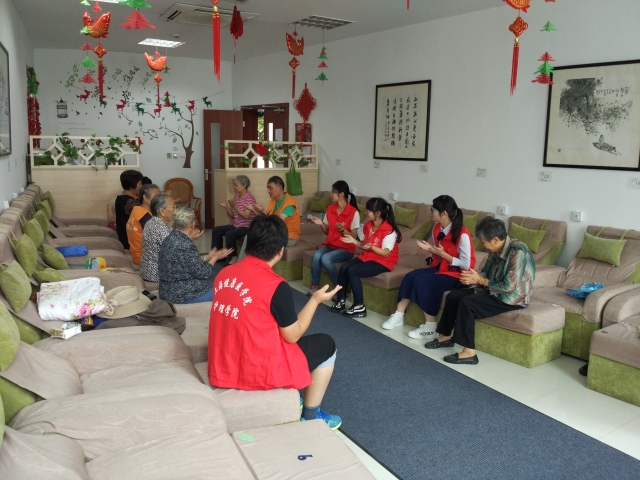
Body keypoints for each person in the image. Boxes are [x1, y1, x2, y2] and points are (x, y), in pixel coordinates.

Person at [208, 215, 343, 430]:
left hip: (223, 364)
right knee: (327, 345)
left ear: (249, 242)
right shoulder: (276, 286)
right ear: (280, 251)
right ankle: (310, 416)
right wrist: (315, 300)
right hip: (257, 370)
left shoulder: (223, 274)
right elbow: (292, 335)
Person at [425, 217, 536, 365]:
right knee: (454, 295)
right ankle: (445, 336)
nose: (483, 245)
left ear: (495, 239)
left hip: (512, 298)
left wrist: (481, 281)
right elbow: (485, 271)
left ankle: (469, 353)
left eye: (484, 242)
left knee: (468, 303)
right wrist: (474, 277)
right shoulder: (496, 249)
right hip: (493, 290)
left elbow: (509, 287)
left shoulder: (517, 252)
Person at [382, 195, 476, 339]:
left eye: (433, 210)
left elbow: (466, 264)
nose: (430, 212)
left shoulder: (462, 234)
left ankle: (430, 326)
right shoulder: (437, 228)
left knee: (422, 281)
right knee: (410, 276)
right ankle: (399, 315)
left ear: (444, 213)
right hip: (441, 268)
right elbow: (439, 253)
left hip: (458, 275)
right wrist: (432, 250)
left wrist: (444, 255)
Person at [331, 197, 402, 318]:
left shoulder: (390, 231)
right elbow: (364, 245)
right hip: (368, 257)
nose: (366, 212)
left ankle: (359, 306)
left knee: (353, 271)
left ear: (377, 213)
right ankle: (340, 300)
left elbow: (386, 253)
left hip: (384, 261)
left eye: (369, 211)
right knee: (344, 268)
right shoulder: (368, 226)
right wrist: (354, 241)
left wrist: (372, 247)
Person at [159, 207, 232, 304]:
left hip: (166, 290)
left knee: (220, 284)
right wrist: (215, 258)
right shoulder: (186, 244)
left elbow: (187, 262)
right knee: (227, 292)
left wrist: (208, 257)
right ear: (191, 224)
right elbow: (204, 274)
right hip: (182, 294)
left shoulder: (169, 238)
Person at [307, 180, 359, 295]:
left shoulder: (354, 212)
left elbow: (354, 236)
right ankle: (314, 284)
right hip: (331, 244)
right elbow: (327, 232)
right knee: (316, 256)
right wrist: (321, 224)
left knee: (325, 258)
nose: (330, 194)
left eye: (333, 192)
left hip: (346, 249)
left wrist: (343, 230)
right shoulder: (330, 209)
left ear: (341, 194)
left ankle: (339, 288)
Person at [237, 176, 301, 260]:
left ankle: (246, 264)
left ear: (279, 188)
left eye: (270, 188)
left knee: (259, 239)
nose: (268, 191)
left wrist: (261, 211)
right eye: (268, 188)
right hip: (275, 233)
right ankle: (243, 263)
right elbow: (267, 218)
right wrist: (254, 209)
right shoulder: (273, 201)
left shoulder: (290, 203)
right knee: (249, 235)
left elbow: (277, 222)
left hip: (288, 237)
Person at [212, 175, 256, 262]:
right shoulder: (237, 198)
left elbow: (246, 215)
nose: (234, 187)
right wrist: (226, 206)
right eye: (234, 185)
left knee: (230, 234)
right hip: (236, 226)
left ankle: (233, 258)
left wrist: (235, 207)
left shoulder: (250, 198)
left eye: (236, 185)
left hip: (246, 227)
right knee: (216, 230)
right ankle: (218, 256)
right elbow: (233, 216)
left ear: (244, 185)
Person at [140, 193, 175, 283]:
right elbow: (174, 255)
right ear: (162, 211)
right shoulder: (160, 228)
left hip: (147, 270)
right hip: (157, 274)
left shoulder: (150, 222)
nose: (176, 210)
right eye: (173, 207)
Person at [126, 183, 161, 265]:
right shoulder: (145, 216)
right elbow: (157, 240)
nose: (159, 200)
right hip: (145, 258)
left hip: (137, 256)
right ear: (145, 198)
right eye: (156, 196)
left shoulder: (137, 210)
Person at [115, 169, 143, 249]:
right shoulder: (128, 201)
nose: (141, 186)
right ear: (132, 184)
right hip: (128, 240)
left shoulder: (121, 198)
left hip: (125, 237)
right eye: (140, 183)